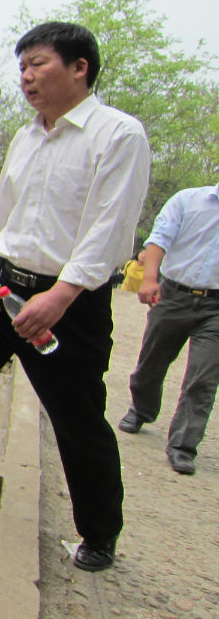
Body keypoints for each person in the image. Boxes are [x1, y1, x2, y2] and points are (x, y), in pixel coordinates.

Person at [0, 21, 151, 573]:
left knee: (78, 420)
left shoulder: (118, 135)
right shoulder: (26, 136)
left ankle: (99, 532)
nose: (26, 76)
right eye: (21, 67)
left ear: (79, 67)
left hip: (69, 306)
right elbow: (6, 207)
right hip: (1, 292)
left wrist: (61, 295)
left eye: (37, 64)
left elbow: (110, 226)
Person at [119, 184, 219, 476]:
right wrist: (149, 279)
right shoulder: (188, 200)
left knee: (203, 377)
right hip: (173, 295)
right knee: (151, 362)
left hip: (216, 308)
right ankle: (141, 409)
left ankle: (183, 446)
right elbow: (159, 239)